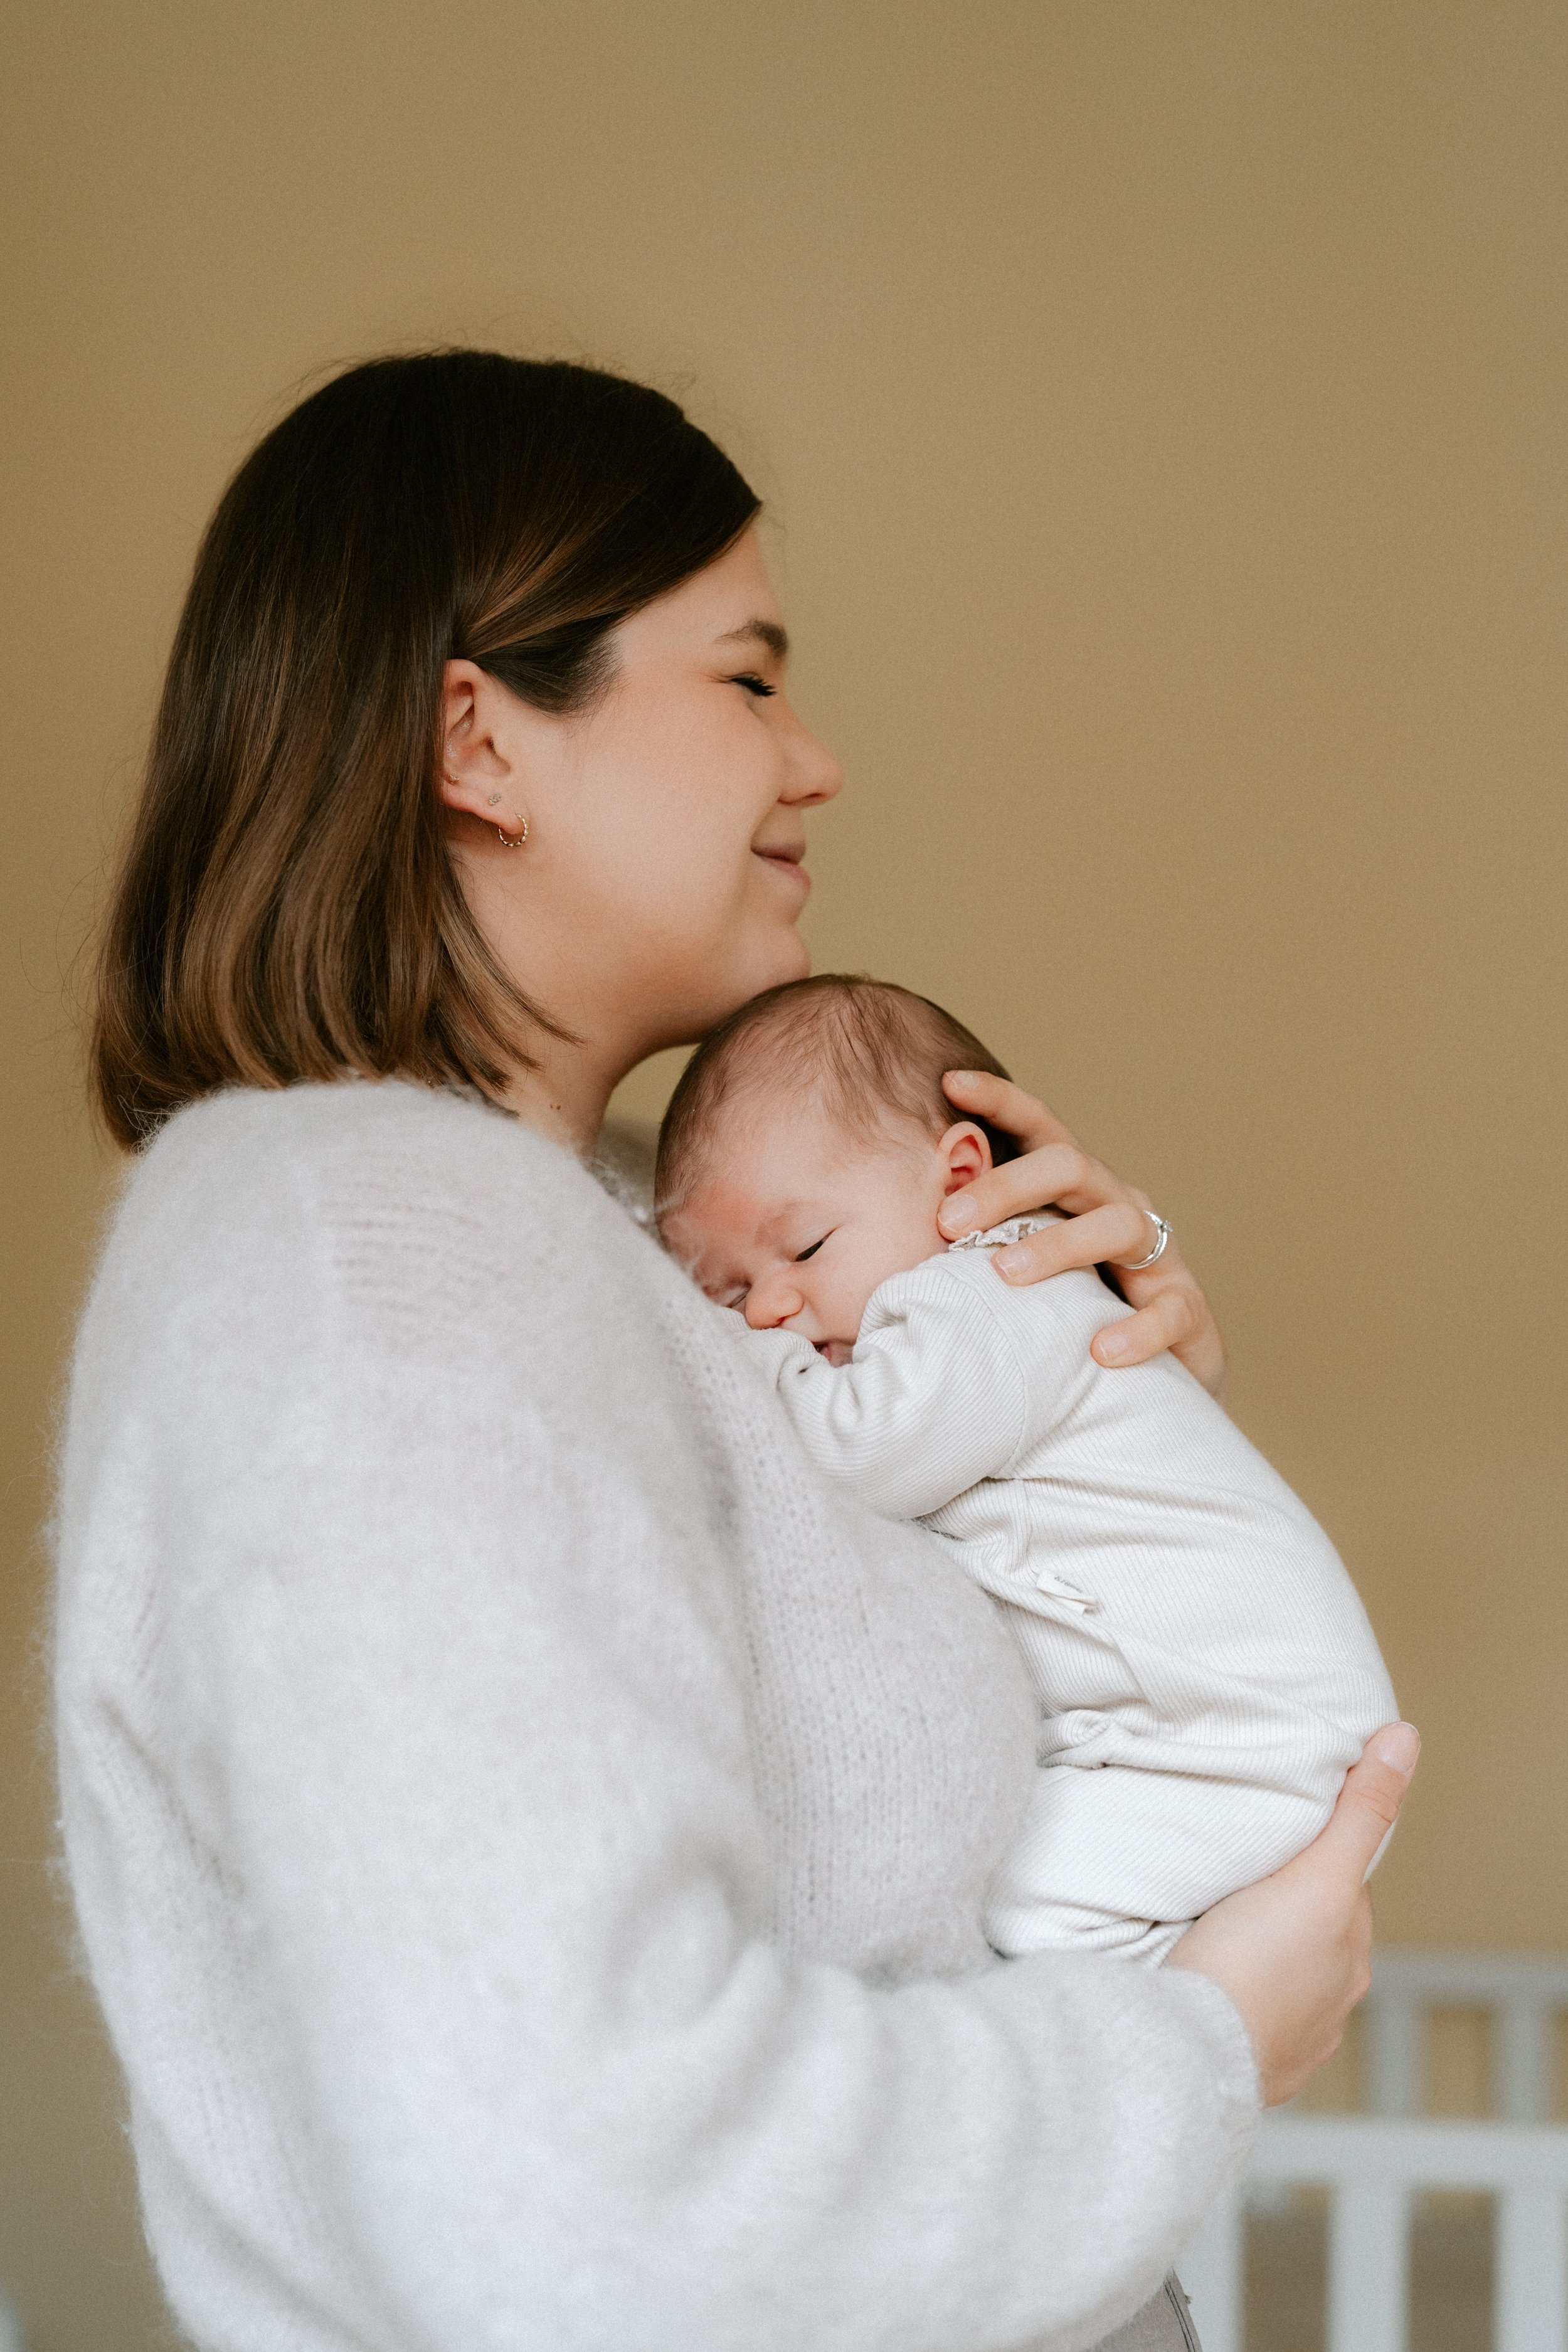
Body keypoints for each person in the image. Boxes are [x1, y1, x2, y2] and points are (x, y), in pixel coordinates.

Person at [55, 349, 1417, 2352]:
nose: (815, 762)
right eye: (748, 677)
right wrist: (1198, 2037)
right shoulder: (369, 1252)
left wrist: (1093, 1407)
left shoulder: (595, 1245)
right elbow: (590, 2185)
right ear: (481, 742)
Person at [655, 972, 1398, 1964]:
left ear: (962, 1180)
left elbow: (854, 1452)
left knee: (1022, 1923)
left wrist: (712, 1342)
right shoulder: (974, 1319)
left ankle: (1185, 2030)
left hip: (1240, 1739)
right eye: (727, 1288)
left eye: (804, 1246)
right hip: (1186, 1734)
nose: (768, 1309)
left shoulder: (998, 1288)